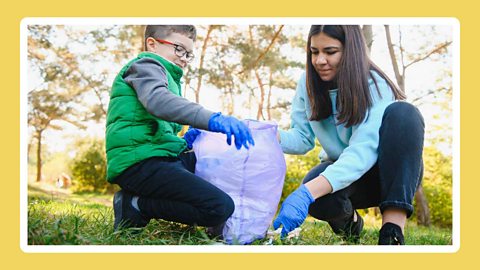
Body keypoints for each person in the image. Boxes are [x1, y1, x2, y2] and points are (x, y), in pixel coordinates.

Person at [272, 25, 425, 245]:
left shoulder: (375, 84)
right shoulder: (307, 83)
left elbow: (362, 150)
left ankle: (392, 231)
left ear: (350, 50)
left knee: (404, 112)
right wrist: (267, 135)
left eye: (330, 52)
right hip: (349, 175)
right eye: (314, 52)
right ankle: (351, 225)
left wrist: (306, 193)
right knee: (315, 189)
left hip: (390, 174)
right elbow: (302, 138)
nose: (320, 60)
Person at [106, 25, 255, 232]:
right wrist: (211, 119)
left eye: (189, 54)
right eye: (178, 48)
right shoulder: (146, 65)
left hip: (157, 157)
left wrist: (184, 142)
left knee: (211, 162)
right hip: (138, 162)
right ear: (152, 44)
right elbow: (159, 101)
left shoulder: (167, 77)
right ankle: (136, 204)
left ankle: (239, 222)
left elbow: (159, 127)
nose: (184, 58)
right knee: (219, 207)